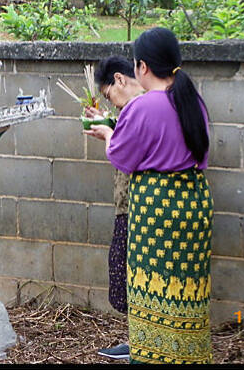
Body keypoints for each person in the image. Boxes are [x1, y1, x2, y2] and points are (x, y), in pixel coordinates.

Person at [85, 27, 212, 364]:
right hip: (195, 202)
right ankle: (190, 355)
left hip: (158, 208)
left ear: (142, 67)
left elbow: (122, 157)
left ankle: (155, 355)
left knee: (154, 287)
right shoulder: (192, 101)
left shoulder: (144, 106)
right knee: (187, 288)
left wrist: (108, 135)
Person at [86, 56, 145, 361]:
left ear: (120, 79)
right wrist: (109, 125)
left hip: (138, 205)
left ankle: (142, 343)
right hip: (128, 203)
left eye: (109, 95)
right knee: (125, 271)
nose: (112, 102)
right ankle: (139, 340)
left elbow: (132, 151)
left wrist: (109, 134)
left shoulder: (144, 107)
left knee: (128, 273)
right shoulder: (135, 109)